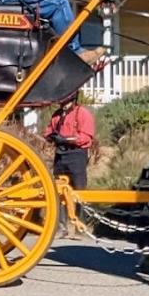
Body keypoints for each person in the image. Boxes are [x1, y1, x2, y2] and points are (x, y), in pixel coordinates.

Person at [45, 93, 95, 239]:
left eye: (66, 101)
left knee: (79, 190)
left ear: (73, 100)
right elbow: (48, 130)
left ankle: (80, 228)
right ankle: (61, 227)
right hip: (60, 155)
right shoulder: (57, 115)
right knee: (58, 191)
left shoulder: (83, 113)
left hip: (77, 154)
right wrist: (51, 137)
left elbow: (85, 137)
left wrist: (67, 139)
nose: (64, 104)